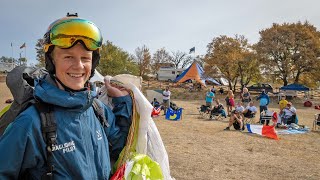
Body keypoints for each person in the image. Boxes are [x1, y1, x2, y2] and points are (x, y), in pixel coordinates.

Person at [0, 14, 132, 179]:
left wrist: (122, 101)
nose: (78, 66)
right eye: (68, 56)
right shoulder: (30, 123)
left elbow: (120, 145)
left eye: (85, 58)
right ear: (51, 61)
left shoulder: (98, 110)